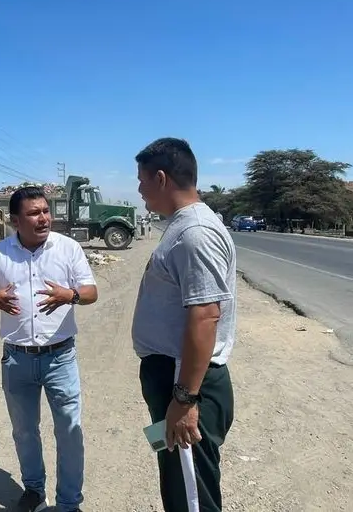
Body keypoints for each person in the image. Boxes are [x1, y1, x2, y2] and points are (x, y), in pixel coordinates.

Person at [0, 186, 99, 512]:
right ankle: (33, 488)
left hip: (61, 357)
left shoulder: (68, 249)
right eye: (34, 213)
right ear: (16, 220)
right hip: (17, 359)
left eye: (45, 211)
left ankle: (69, 503)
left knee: (70, 431)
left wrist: (69, 295)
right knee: (24, 431)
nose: (43, 218)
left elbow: (90, 291)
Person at [131, 138, 237, 512]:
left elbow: (206, 316)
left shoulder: (195, 233)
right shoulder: (181, 227)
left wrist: (186, 399)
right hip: (170, 380)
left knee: (194, 496)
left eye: (141, 180)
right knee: (176, 481)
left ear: (161, 179)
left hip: (187, 385)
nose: (139, 189)